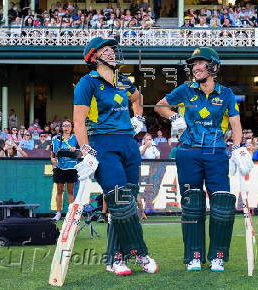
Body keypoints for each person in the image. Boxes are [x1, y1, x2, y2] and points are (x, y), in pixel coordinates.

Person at [154, 47, 253, 272]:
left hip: (216, 153)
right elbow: (160, 105)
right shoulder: (185, 90)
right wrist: (174, 116)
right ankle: (193, 256)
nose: (196, 68)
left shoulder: (226, 93)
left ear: (214, 67)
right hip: (188, 152)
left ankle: (218, 256)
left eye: (201, 63)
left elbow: (236, 125)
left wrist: (237, 148)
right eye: (193, 64)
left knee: (222, 206)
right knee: (192, 205)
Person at [73, 37, 158, 276]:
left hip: (129, 144)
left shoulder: (123, 80)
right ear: (93, 56)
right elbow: (79, 121)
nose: (111, 53)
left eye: (112, 49)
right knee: (120, 201)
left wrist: (138, 117)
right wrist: (86, 149)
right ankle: (140, 252)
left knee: (126, 203)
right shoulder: (87, 83)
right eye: (105, 50)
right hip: (104, 144)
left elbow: (137, 98)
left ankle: (115, 259)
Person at [50, 120, 79, 221]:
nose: (66, 128)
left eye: (69, 126)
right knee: (59, 191)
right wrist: (53, 160)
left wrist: (75, 150)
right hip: (59, 167)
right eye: (64, 126)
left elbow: (80, 153)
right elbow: (53, 155)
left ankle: (71, 214)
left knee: (70, 191)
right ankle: (58, 213)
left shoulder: (76, 138)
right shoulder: (55, 139)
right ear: (61, 127)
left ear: (72, 128)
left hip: (71, 167)